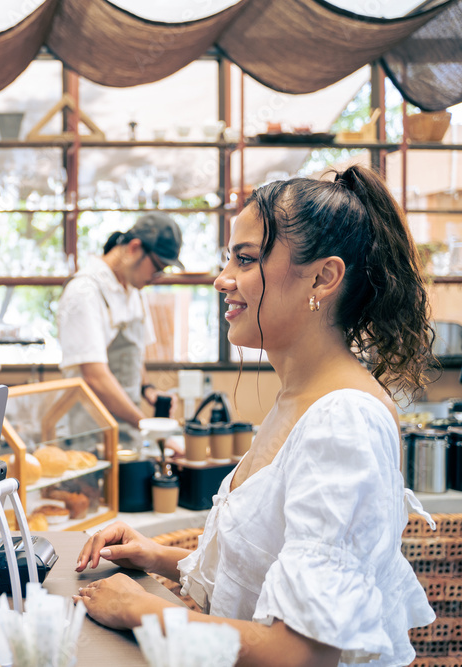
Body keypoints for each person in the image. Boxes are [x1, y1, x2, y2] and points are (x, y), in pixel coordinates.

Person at [74, 165, 436, 666]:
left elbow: (300, 652)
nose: (222, 279)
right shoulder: (297, 399)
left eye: (245, 259)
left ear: (324, 276)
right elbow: (265, 580)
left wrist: (141, 611)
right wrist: (154, 555)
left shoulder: (344, 421)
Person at [56, 212, 184, 450]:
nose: (157, 278)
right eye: (157, 268)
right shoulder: (84, 292)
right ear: (135, 248)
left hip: (124, 430)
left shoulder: (133, 291)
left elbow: (134, 354)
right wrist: (148, 426)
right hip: (88, 434)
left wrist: (148, 389)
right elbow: (95, 376)